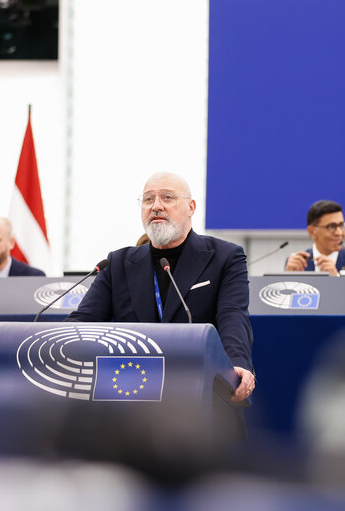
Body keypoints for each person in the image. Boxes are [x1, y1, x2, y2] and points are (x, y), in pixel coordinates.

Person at [67, 172, 255, 403]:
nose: (156, 206)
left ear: (191, 207)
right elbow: (83, 323)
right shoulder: (117, 263)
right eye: (148, 199)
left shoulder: (225, 257)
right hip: (130, 393)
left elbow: (233, 317)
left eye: (167, 197)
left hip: (197, 391)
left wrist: (235, 363)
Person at [284, 200, 345, 276]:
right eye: (331, 227)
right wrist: (289, 279)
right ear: (312, 232)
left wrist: (336, 280)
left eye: (341, 225)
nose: (339, 233)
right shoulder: (297, 264)